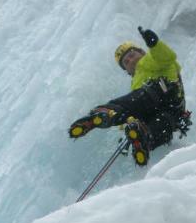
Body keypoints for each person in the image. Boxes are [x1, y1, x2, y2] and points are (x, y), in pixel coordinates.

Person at [68, 27, 188, 166]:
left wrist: (155, 44)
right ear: (126, 70)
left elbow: (168, 57)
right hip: (164, 113)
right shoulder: (135, 81)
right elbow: (135, 104)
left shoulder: (152, 59)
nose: (130, 61)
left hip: (165, 97)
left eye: (131, 55)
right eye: (125, 62)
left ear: (141, 52)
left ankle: (110, 112)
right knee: (159, 126)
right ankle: (143, 138)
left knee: (140, 98)